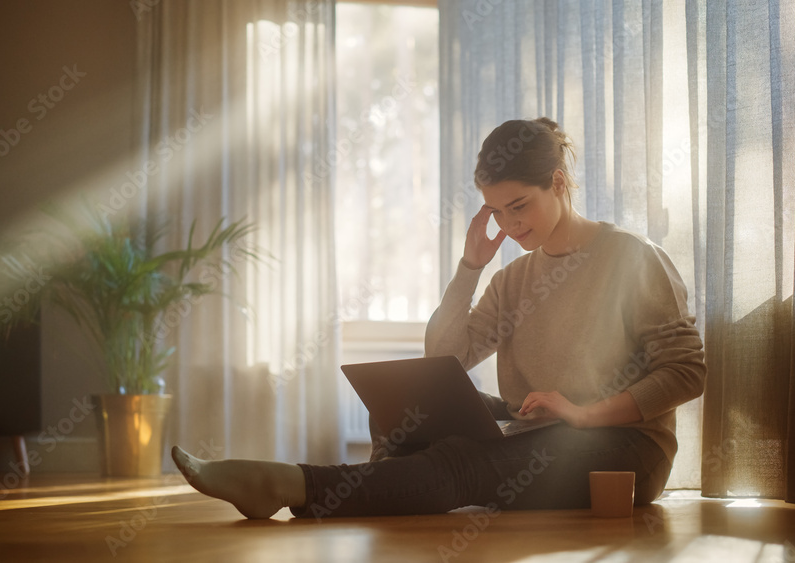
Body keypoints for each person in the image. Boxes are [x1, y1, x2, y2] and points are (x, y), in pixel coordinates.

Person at [171, 117, 706, 519]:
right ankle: (374, 494)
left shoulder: (631, 256)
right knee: (407, 409)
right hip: (537, 427)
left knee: (463, 461)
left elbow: (686, 372)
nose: (509, 224)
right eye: (496, 211)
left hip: (625, 448)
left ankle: (293, 485)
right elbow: (446, 357)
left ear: (560, 184)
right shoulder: (512, 279)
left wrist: (586, 414)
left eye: (519, 206)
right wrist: (470, 267)